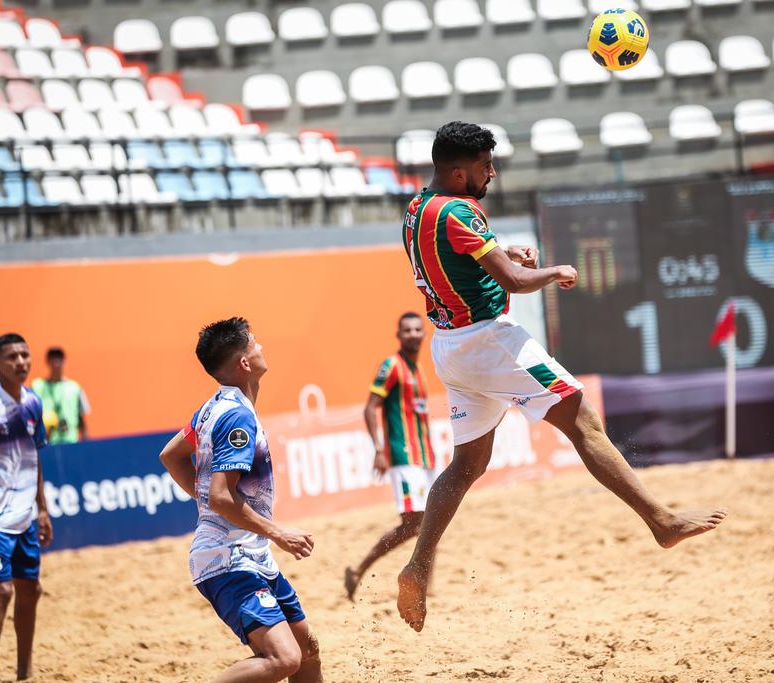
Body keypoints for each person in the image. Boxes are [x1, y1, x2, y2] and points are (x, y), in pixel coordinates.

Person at [396, 122, 727, 632]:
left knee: (465, 466)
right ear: (459, 172)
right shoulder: (461, 209)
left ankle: (418, 565)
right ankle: (662, 521)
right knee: (585, 422)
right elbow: (514, 282)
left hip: (451, 348)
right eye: (486, 166)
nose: (493, 172)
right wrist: (549, 272)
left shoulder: (418, 208)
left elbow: (463, 264)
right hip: (490, 340)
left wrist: (508, 260)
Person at [158, 317, 322, 683]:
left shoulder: (215, 406)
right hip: (227, 558)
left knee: (307, 653)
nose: (261, 347)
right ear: (244, 364)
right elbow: (220, 496)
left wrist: (209, 503)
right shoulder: (236, 418)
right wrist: (278, 533)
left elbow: (171, 455)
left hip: (249, 553)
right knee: (284, 659)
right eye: (255, 344)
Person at [0, 334, 53, 683]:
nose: (20, 362)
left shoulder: (34, 402)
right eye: (11, 357)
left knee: (30, 589)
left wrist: (43, 509)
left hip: (23, 516)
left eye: (24, 355)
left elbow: (34, 457)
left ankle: (25, 672)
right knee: (0, 592)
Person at [344, 312, 436, 601]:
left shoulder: (417, 369)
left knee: (432, 522)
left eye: (417, 329)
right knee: (414, 523)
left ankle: (426, 587)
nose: (413, 334)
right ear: (399, 335)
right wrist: (380, 448)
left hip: (425, 457)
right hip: (403, 454)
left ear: (424, 334)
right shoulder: (392, 365)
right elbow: (370, 407)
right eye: (407, 330)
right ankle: (360, 570)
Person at [31, 347, 90, 444]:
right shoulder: (37, 386)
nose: (56, 362)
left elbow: (82, 420)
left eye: (59, 358)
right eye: (53, 358)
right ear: (47, 361)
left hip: (70, 442)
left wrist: (86, 443)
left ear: (64, 361)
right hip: (45, 443)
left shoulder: (74, 387)